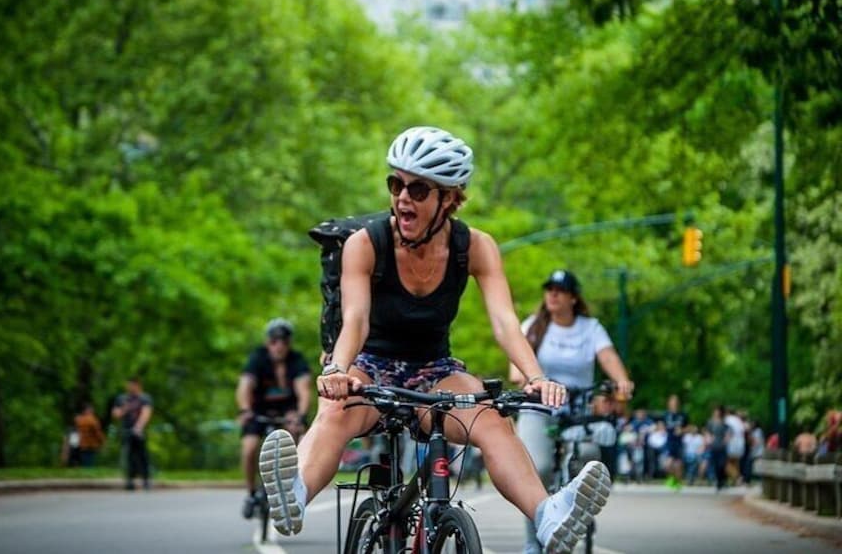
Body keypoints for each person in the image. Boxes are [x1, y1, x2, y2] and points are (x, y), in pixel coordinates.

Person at [258, 126, 612, 554]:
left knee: (493, 418)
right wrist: (336, 369)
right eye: (396, 184)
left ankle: (548, 515)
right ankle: (294, 493)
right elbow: (355, 319)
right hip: (372, 366)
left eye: (419, 189)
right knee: (336, 409)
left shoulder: (475, 247)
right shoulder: (365, 244)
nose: (403, 197)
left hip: (434, 371)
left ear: (449, 198)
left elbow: (504, 322)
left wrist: (535, 376)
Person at [508, 269, 633, 552]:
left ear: (573, 298)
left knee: (589, 457)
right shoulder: (534, 325)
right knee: (536, 468)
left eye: (560, 290)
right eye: (549, 288)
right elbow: (516, 364)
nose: (552, 294)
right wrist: (522, 376)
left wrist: (621, 382)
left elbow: (609, 357)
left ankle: (576, 508)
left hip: (577, 408)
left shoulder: (590, 328)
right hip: (538, 406)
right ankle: (532, 543)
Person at [237, 318, 311, 519]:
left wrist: (301, 415)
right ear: (267, 342)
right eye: (274, 341)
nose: (279, 346)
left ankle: (286, 487)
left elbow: (304, 391)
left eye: (284, 342)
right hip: (258, 410)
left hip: (287, 412)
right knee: (250, 447)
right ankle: (251, 493)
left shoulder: (297, 360)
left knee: (296, 438)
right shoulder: (257, 358)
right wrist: (244, 410)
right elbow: (245, 386)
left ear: (289, 343)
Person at [112, 377, 153, 490]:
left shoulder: (144, 398)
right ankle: (130, 481)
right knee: (129, 456)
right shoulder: (122, 398)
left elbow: (146, 413)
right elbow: (116, 414)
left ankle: (146, 480)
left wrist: (138, 427)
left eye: (131, 385)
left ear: (138, 385)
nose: (129, 387)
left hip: (140, 432)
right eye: (128, 385)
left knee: (143, 456)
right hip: (126, 430)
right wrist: (124, 409)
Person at [663, 394, 688, 488]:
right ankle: (672, 479)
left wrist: (682, 430)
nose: (673, 403)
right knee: (667, 464)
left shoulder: (683, 415)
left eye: (675, 401)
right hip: (669, 441)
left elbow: (690, 427)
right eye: (672, 401)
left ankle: (678, 482)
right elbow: (662, 425)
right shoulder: (666, 415)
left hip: (679, 442)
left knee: (678, 464)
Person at [74, 403, 105, 467]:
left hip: (81, 444)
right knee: (90, 462)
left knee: (84, 460)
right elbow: (98, 432)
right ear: (87, 410)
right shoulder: (92, 420)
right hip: (91, 444)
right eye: (91, 410)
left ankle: (84, 472)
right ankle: (88, 474)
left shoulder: (78, 419)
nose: (92, 411)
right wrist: (102, 441)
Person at [706, 406, 730, 490]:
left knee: (722, 464)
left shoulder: (724, 423)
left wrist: (726, 440)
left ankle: (723, 480)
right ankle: (719, 482)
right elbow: (708, 432)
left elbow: (728, 432)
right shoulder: (710, 423)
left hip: (722, 446)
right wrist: (709, 440)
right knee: (715, 464)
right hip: (714, 446)